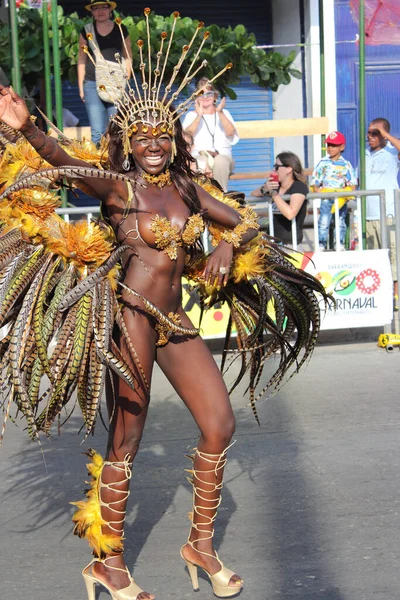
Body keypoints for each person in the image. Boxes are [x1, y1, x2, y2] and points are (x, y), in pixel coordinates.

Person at [0, 10, 328, 600]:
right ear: (129, 142)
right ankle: (108, 561)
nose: (152, 146)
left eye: (161, 136)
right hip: (128, 318)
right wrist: (26, 129)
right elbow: (58, 160)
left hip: (174, 320)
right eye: (141, 137)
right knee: (126, 438)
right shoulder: (118, 187)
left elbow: (246, 221)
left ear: (172, 141)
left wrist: (227, 245)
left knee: (219, 422)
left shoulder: (183, 189)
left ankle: (199, 546)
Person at [77, 1, 132, 145]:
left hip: (116, 82)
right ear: (92, 11)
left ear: (110, 9)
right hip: (92, 82)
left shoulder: (121, 28)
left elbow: (128, 55)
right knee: (97, 132)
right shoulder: (86, 30)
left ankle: (118, 164)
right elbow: (81, 59)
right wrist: (81, 87)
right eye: (96, 8)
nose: (100, 11)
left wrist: (126, 79)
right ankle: (99, 165)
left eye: (103, 7)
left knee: (118, 127)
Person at [365, 118, 400, 302]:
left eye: (375, 133)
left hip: (388, 214)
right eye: (369, 133)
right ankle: (381, 295)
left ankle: (395, 296)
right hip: (368, 215)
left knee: (393, 256)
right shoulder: (365, 154)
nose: (370, 137)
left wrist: (385, 135)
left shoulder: (392, 152)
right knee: (375, 257)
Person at [182, 78, 239, 191]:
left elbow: (231, 132)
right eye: (201, 94)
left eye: (209, 93)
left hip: (222, 156)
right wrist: (199, 115)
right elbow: (186, 137)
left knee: (220, 162)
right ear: (197, 97)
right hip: (199, 156)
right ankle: (201, 199)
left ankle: (221, 197)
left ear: (215, 97)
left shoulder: (224, 113)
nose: (205, 97)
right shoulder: (191, 116)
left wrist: (220, 112)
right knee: (199, 164)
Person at [310, 131, 357, 251]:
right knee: (324, 221)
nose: (330, 148)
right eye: (328, 145)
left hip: (340, 199)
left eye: (334, 145)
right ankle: (321, 243)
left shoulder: (346, 164)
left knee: (340, 221)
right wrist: (317, 189)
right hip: (326, 197)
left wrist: (348, 192)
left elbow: (353, 182)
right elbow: (315, 179)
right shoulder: (322, 163)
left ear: (342, 147)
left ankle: (339, 243)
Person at [251, 151, 308, 247]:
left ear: (288, 169)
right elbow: (253, 194)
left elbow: (290, 214)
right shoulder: (276, 185)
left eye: (277, 166)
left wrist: (274, 194)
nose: (274, 169)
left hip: (290, 244)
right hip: (271, 241)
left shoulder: (299, 187)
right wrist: (265, 188)